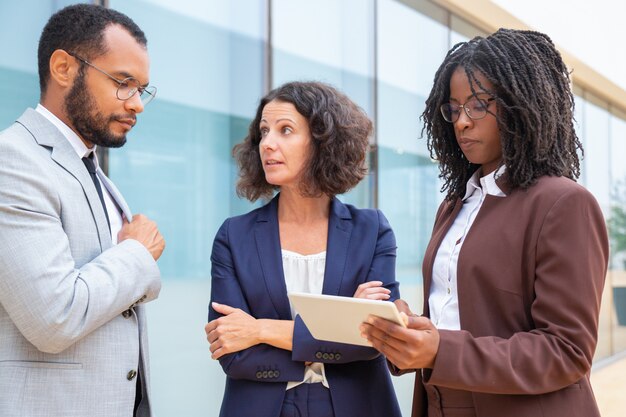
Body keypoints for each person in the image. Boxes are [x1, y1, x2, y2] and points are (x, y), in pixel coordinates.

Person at [361, 29, 609, 417]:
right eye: (454, 109)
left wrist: (441, 348)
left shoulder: (563, 203)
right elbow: (455, 315)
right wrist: (408, 330)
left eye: (478, 105)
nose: (461, 122)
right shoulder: (456, 204)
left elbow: (567, 350)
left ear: (519, 105)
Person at [0, 4, 164, 417]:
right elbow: (54, 316)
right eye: (123, 83)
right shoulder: (13, 161)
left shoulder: (90, 169)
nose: (137, 104)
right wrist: (137, 254)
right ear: (63, 68)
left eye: (141, 89)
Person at [205, 81, 402, 417]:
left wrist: (259, 329)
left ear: (324, 141)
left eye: (285, 130)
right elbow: (231, 351)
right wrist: (340, 329)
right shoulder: (233, 236)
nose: (267, 143)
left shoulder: (372, 230)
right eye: (264, 132)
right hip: (261, 406)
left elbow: (376, 340)